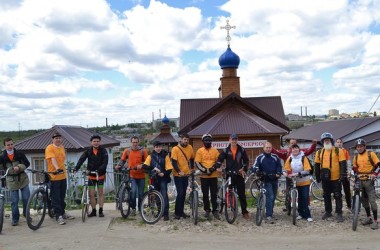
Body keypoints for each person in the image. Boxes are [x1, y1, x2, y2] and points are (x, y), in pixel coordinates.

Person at [214, 133, 250, 219]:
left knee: (242, 194)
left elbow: (246, 161)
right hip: (229, 174)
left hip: (239, 174)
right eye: (232, 139)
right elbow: (220, 159)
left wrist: (244, 169)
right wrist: (216, 167)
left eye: (235, 139)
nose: (234, 141)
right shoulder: (226, 150)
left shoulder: (242, 150)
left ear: (237, 140)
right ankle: (230, 207)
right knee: (229, 191)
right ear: (229, 140)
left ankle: (244, 212)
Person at [314, 132, 347, 223]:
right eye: (325, 140)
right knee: (326, 195)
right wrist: (317, 177)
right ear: (322, 141)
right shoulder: (319, 152)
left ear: (331, 141)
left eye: (328, 140)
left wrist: (343, 175)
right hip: (325, 178)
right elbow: (316, 165)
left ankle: (339, 213)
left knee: (338, 195)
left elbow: (343, 164)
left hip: (336, 178)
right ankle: (328, 211)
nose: (327, 141)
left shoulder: (338, 150)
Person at [74, 134, 108, 217]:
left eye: (97, 141)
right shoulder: (88, 151)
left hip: (100, 175)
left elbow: (105, 163)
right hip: (91, 176)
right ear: (91, 142)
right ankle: (93, 210)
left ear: (99, 142)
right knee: (91, 194)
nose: (96, 143)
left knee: (100, 193)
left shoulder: (104, 151)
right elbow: (81, 159)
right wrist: (76, 168)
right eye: (94, 141)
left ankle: (100, 210)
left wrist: (99, 170)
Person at [139, 141, 173, 221]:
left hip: (163, 178)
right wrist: (153, 168)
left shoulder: (165, 156)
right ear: (154, 147)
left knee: (164, 195)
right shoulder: (150, 156)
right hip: (154, 178)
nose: (158, 148)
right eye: (157, 147)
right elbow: (145, 166)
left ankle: (165, 213)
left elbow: (169, 169)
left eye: (159, 147)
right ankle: (159, 211)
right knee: (157, 196)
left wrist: (163, 174)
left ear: (161, 147)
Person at [45, 132, 75, 225]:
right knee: (56, 197)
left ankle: (63, 212)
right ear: (52, 139)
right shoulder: (50, 148)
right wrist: (57, 168)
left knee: (62, 196)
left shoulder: (62, 147)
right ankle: (58, 215)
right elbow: (53, 159)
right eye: (56, 138)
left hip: (63, 176)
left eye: (59, 138)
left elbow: (62, 160)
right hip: (54, 176)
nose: (58, 139)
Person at [0, 138, 30, 226]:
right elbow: (1, 169)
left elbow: (27, 163)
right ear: (4, 146)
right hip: (11, 181)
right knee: (14, 201)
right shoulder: (2, 157)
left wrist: (19, 167)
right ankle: (15, 219)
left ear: (14, 144)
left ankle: (26, 215)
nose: (10, 146)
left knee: (26, 198)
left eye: (11, 144)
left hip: (23, 179)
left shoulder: (20, 154)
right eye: (8, 145)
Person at [115, 136, 148, 216]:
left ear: (138, 142)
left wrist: (142, 165)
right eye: (133, 142)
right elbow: (122, 160)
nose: (135, 144)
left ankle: (140, 209)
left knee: (140, 194)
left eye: (136, 142)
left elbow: (148, 162)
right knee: (133, 192)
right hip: (132, 175)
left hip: (141, 175)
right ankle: (133, 208)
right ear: (131, 142)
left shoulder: (143, 151)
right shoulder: (127, 151)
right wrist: (118, 165)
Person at [352, 138, 380, 230]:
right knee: (364, 200)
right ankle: (369, 217)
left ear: (364, 146)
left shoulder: (370, 154)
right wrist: (354, 176)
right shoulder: (356, 157)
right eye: (358, 147)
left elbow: (378, 165)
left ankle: (376, 221)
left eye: (361, 146)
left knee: (372, 201)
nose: (359, 148)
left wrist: (374, 174)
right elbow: (355, 169)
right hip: (360, 180)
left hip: (369, 180)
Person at [252, 141, 282, 223]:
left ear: (271, 148)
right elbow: (254, 166)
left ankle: (270, 212)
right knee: (270, 196)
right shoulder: (260, 157)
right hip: (265, 180)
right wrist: (257, 170)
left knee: (273, 197)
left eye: (270, 147)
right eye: (267, 147)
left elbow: (279, 166)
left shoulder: (275, 157)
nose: (268, 149)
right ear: (264, 148)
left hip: (274, 179)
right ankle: (269, 215)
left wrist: (279, 172)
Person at [283, 144, 313, 222]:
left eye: (296, 148)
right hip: (295, 181)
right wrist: (285, 173)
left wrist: (298, 173)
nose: (295, 150)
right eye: (293, 149)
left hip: (305, 181)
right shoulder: (290, 158)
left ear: (299, 150)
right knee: (299, 198)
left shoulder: (303, 157)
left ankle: (307, 215)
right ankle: (300, 214)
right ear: (291, 150)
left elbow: (307, 170)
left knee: (305, 197)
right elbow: (286, 168)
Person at [195, 134, 220, 220]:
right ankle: (207, 210)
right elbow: (197, 163)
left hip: (213, 176)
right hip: (204, 176)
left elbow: (219, 162)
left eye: (209, 140)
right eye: (206, 140)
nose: (208, 142)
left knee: (214, 194)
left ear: (211, 141)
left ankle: (215, 210)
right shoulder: (199, 151)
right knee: (205, 194)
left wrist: (212, 169)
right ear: (203, 141)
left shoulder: (215, 151)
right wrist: (206, 170)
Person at [170, 133, 194, 220]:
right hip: (178, 175)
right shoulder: (175, 149)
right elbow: (174, 162)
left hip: (186, 174)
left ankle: (181, 212)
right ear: (181, 139)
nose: (186, 141)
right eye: (184, 139)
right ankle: (177, 213)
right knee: (180, 193)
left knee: (184, 194)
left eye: (187, 140)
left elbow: (192, 158)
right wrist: (179, 171)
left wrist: (192, 168)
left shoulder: (190, 147)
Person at [335, 138, 351, 209]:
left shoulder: (345, 151)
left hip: (344, 173)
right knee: (337, 191)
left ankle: (349, 205)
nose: (339, 143)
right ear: (335, 143)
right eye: (337, 142)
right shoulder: (334, 151)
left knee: (347, 190)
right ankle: (339, 207)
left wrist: (349, 172)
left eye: (340, 142)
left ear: (342, 143)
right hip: (336, 173)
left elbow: (348, 162)